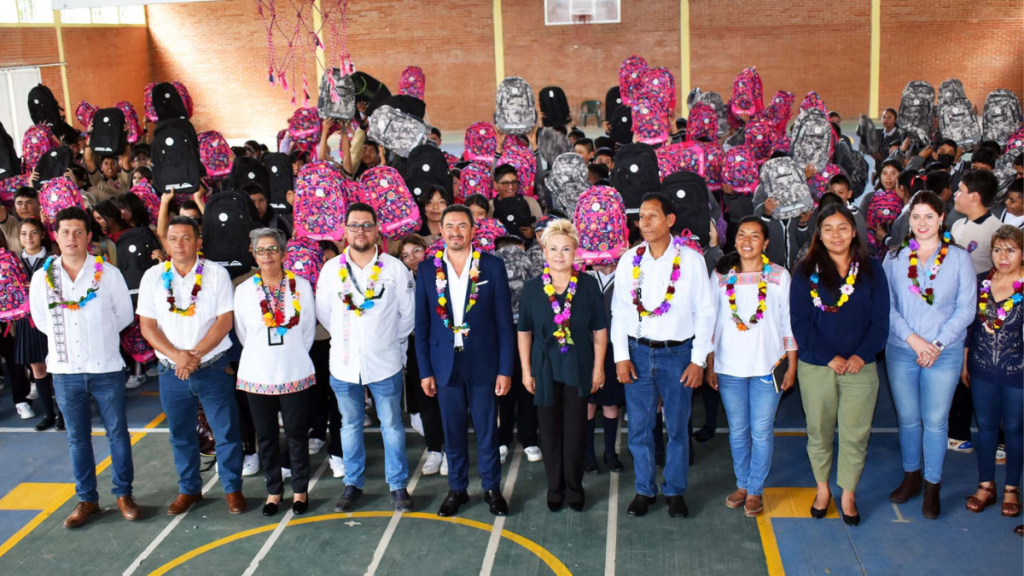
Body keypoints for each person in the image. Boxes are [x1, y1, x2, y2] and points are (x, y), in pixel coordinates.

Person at [29, 206, 138, 528]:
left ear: (89, 236)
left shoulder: (108, 274)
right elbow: (41, 320)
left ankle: (124, 495)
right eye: (65, 232)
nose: (72, 238)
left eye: (79, 232)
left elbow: (124, 317)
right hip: (65, 371)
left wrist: (96, 337)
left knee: (118, 434)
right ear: (56, 236)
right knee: (78, 438)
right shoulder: (42, 278)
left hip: (106, 368)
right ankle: (87, 499)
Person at [611, 193, 714, 518]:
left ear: (670, 220)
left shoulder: (691, 260)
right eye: (641, 217)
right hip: (639, 354)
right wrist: (621, 356)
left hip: (678, 355)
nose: (644, 223)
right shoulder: (630, 259)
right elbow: (620, 312)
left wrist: (698, 360)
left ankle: (674, 490)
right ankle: (644, 490)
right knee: (639, 428)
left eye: (652, 216)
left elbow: (706, 313)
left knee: (678, 428)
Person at [137, 215, 247, 516]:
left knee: (226, 432)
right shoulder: (153, 278)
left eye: (186, 238)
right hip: (171, 372)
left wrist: (193, 355)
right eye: (173, 239)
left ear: (199, 242)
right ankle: (189, 489)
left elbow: (225, 321)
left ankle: (232, 489)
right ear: (166, 243)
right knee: (181, 434)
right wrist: (178, 356)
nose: (179, 244)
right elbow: (147, 327)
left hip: (212, 368)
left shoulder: (216, 275)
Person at [790, 204, 889, 526]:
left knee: (855, 434)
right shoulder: (805, 271)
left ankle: (848, 493)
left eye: (843, 227)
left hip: (861, 366)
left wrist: (861, 356)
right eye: (828, 228)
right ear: (819, 233)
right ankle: (822, 489)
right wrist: (828, 357)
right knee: (818, 432)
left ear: (854, 230)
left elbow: (880, 323)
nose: (836, 235)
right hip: (818, 366)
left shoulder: (872, 269)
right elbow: (800, 323)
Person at [415, 205, 515, 517]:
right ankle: (457, 489)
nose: (456, 232)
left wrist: (505, 369)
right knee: (453, 431)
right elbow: (422, 326)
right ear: (440, 231)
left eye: (462, 226)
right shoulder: (428, 270)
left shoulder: (492, 267)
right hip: (445, 365)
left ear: (473, 230)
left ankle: (491, 488)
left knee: (487, 431)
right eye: (449, 226)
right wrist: (425, 371)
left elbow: (504, 325)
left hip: (484, 363)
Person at [883, 192, 977, 519]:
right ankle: (911, 477)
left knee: (936, 422)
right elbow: (888, 307)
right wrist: (913, 340)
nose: (922, 223)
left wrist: (935, 344)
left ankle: (932, 484)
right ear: (909, 221)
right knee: (908, 419)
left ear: (941, 219)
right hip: (902, 350)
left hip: (944, 353)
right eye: (916, 217)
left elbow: (967, 309)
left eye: (929, 216)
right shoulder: (894, 258)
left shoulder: (959, 258)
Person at [317, 203, 416, 512]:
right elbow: (325, 314)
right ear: (345, 231)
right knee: (349, 425)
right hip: (344, 365)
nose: (361, 231)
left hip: (384, 363)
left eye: (367, 225)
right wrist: (351, 341)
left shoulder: (394, 269)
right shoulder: (331, 270)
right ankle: (353, 483)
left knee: (391, 425)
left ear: (377, 230)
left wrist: (384, 341)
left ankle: (398, 485)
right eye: (354, 225)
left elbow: (407, 317)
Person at [706, 216, 797, 517]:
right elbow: (710, 322)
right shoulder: (720, 276)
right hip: (729, 367)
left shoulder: (780, 276)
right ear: (734, 240)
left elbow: (788, 323)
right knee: (738, 431)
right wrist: (709, 364)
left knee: (761, 431)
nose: (747, 241)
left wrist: (792, 364)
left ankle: (755, 489)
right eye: (742, 235)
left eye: (755, 236)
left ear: (766, 242)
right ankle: (742, 483)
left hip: (767, 367)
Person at [517, 220, 608, 511]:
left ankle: (574, 485)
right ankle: (554, 487)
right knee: (549, 430)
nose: (559, 254)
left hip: (578, 366)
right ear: (544, 251)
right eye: (553, 248)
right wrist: (525, 370)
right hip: (544, 368)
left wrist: (598, 368)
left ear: (575, 251)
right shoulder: (532, 289)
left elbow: (599, 331)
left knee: (576, 429)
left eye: (565, 248)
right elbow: (524, 332)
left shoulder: (589, 284)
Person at [235, 228, 317, 516]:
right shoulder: (243, 291)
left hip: (294, 370)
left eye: (272, 249)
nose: (267, 255)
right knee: (266, 436)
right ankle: (273, 491)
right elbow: (244, 334)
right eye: (261, 250)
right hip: (258, 375)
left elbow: (306, 332)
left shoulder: (301, 287)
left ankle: (300, 490)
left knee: (296, 434)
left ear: (283, 254)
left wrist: (290, 354)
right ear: (253, 253)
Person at [962, 225, 1023, 536]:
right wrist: (965, 362)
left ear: (1022, 253)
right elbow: (971, 326)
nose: (1003, 256)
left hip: (1018, 372)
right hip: (982, 368)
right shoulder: (981, 281)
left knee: (1012, 428)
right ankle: (986, 485)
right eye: (998, 249)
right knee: (985, 427)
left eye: (1011, 250)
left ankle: (1011, 488)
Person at [398, 235, 446, 475]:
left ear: (426, 250)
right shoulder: (402, 280)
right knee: (425, 398)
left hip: (441, 344)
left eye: (416, 251)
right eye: (405, 256)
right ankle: (434, 449)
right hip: (416, 345)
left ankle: (449, 451)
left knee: (446, 397)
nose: (412, 259)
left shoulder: (441, 274)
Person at [493, 235, 542, 464]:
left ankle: (529, 439)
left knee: (527, 387)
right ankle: (503, 440)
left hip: (527, 331)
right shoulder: (490, 268)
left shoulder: (534, 267)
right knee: (504, 389)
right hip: (500, 334)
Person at [15, 219, 59, 430]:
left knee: (58, 367)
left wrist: (38, 285)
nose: (28, 238)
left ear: (42, 234)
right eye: (24, 234)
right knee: (38, 369)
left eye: (33, 233)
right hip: (28, 322)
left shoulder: (54, 259)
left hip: (53, 319)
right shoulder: (12, 262)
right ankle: (49, 414)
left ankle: (63, 414)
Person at [584, 259, 625, 475]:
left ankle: (610, 452)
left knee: (611, 403)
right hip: (588, 347)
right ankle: (588, 454)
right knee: (589, 402)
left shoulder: (626, 273)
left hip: (615, 347)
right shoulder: (585, 275)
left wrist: (624, 255)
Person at [489, 163, 543, 229]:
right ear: (496, 185)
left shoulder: (530, 203)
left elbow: (542, 230)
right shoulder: (490, 207)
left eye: (514, 182)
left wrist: (533, 232)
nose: (511, 187)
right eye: (505, 183)